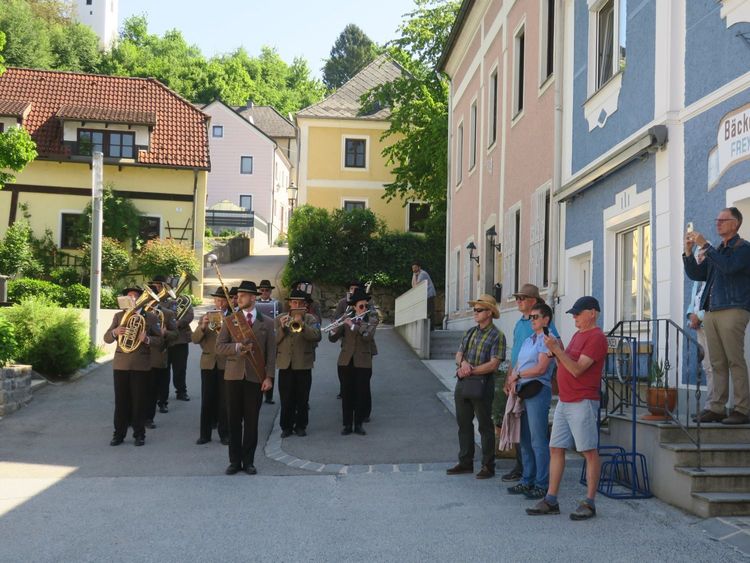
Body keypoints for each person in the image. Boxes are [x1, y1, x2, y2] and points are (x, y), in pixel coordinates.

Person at [526, 296, 608, 520]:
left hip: (582, 400)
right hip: (566, 399)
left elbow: (578, 369)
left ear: (592, 313)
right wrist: (555, 352)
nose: (574, 317)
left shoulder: (596, 337)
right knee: (556, 448)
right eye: (573, 314)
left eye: (578, 313)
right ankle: (551, 499)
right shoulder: (578, 335)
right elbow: (565, 363)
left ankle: (589, 502)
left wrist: (557, 350)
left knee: (588, 451)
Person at [684, 207, 750, 425]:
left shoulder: (743, 248)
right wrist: (688, 253)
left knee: (734, 360)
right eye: (717, 219)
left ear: (735, 223)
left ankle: (742, 409)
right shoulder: (717, 250)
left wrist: (705, 246)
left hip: (733, 309)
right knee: (717, 362)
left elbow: (729, 268)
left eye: (723, 219)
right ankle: (716, 407)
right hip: (711, 311)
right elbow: (698, 274)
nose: (718, 223)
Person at [215, 280, 276, 475]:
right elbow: (219, 347)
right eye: (237, 296)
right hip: (233, 376)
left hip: (255, 377)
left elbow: (271, 354)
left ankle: (248, 461)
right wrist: (236, 347)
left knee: (251, 422)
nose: (238, 299)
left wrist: (269, 377)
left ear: (253, 297)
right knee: (233, 421)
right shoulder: (230, 321)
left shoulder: (267, 322)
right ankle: (234, 461)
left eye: (242, 296)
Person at [501, 283, 560, 482]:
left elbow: (546, 362)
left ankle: (541, 481)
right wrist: (510, 378)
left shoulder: (547, 333)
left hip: (537, 386)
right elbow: (516, 356)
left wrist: (517, 375)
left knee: (537, 438)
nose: (518, 301)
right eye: (517, 298)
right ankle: (527, 477)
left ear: (533, 301)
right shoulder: (523, 328)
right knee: (524, 437)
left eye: (522, 298)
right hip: (521, 386)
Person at [446, 294, 505, 480]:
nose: (475, 313)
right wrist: (463, 364)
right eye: (475, 310)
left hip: (483, 384)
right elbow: (459, 354)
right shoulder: (470, 332)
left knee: (485, 426)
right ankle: (465, 462)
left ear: (489, 313)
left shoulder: (497, 335)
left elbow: (494, 364)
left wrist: (470, 370)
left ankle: (488, 465)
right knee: (463, 424)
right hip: (464, 383)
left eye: (479, 310)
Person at [103, 287, 163, 446]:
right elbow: (107, 338)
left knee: (139, 402)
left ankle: (139, 434)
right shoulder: (119, 316)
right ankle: (118, 434)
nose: (132, 299)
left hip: (141, 366)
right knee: (121, 402)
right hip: (121, 365)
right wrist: (115, 332)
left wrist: (147, 339)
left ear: (141, 299)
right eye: (129, 297)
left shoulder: (150, 317)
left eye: (135, 297)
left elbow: (160, 341)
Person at [328, 286, 378, 436]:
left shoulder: (371, 320)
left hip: (363, 362)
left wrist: (352, 326)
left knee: (361, 394)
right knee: (347, 393)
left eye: (366, 306)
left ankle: (359, 424)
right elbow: (333, 339)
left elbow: (367, 336)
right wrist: (334, 328)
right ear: (355, 307)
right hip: (345, 361)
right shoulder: (347, 318)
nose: (364, 309)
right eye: (361, 306)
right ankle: (347, 424)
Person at [275, 289, 322, 437]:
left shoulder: (311, 319)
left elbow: (317, 336)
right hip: (285, 364)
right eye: (294, 302)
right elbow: (273, 341)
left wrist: (303, 325)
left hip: (303, 363)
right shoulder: (280, 318)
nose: (296, 305)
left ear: (305, 305)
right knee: (286, 398)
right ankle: (286, 427)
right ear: (289, 303)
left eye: (300, 303)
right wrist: (282, 328)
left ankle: (301, 426)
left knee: (302, 397)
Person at [192, 287, 230, 445]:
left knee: (224, 401)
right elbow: (195, 339)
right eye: (217, 300)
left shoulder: (233, 318)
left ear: (227, 302)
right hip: (208, 363)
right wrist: (202, 327)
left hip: (225, 363)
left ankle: (224, 434)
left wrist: (226, 324)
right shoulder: (205, 317)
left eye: (222, 300)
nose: (219, 303)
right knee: (207, 400)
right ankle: (205, 435)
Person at [686, 245, 714, 420]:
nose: (699, 258)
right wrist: (690, 315)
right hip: (699, 327)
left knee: (713, 366)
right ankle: (709, 406)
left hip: (710, 324)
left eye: (703, 255)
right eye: (698, 256)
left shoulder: (713, 277)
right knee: (706, 366)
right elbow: (693, 302)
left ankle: (713, 406)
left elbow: (713, 303)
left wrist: (700, 317)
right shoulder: (697, 281)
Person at [145, 285, 178, 428]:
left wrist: (166, 333)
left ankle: (149, 418)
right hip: (138, 356)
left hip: (157, 356)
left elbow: (175, 334)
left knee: (152, 389)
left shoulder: (167, 313)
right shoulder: (137, 313)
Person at [163, 275, 194, 402]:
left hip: (180, 339)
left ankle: (181, 391)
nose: (171, 288)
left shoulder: (183, 300)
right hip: (165, 340)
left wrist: (179, 323)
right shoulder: (159, 300)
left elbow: (190, 315)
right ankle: (162, 396)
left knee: (180, 368)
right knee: (164, 370)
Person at [333, 281, 363, 399]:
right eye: (351, 288)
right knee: (344, 367)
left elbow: (370, 319)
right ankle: (344, 391)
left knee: (360, 369)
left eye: (356, 288)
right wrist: (342, 319)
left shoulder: (365, 302)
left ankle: (358, 392)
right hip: (347, 339)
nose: (353, 290)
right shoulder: (343, 302)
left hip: (361, 340)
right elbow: (336, 317)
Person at [256, 279, 281, 404]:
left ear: (270, 291)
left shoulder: (277, 304)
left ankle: (269, 396)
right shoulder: (254, 303)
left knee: (270, 365)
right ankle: (258, 392)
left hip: (271, 336)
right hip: (257, 337)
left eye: (267, 290)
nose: (264, 292)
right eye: (262, 290)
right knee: (257, 366)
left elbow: (280, 318)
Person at [411, 261, 437, 328]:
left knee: (430, 311)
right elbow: (413, 285)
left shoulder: (423, 274)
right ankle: (428, 327)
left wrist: (415, 277)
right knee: (426, 311)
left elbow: (417, 285)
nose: (414, 269)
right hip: (424, 295)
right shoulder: (415, 274)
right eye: (413, 268)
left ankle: (431, 328)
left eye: (415, 267)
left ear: (419, 267)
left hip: (429, 294)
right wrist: (414, 276)